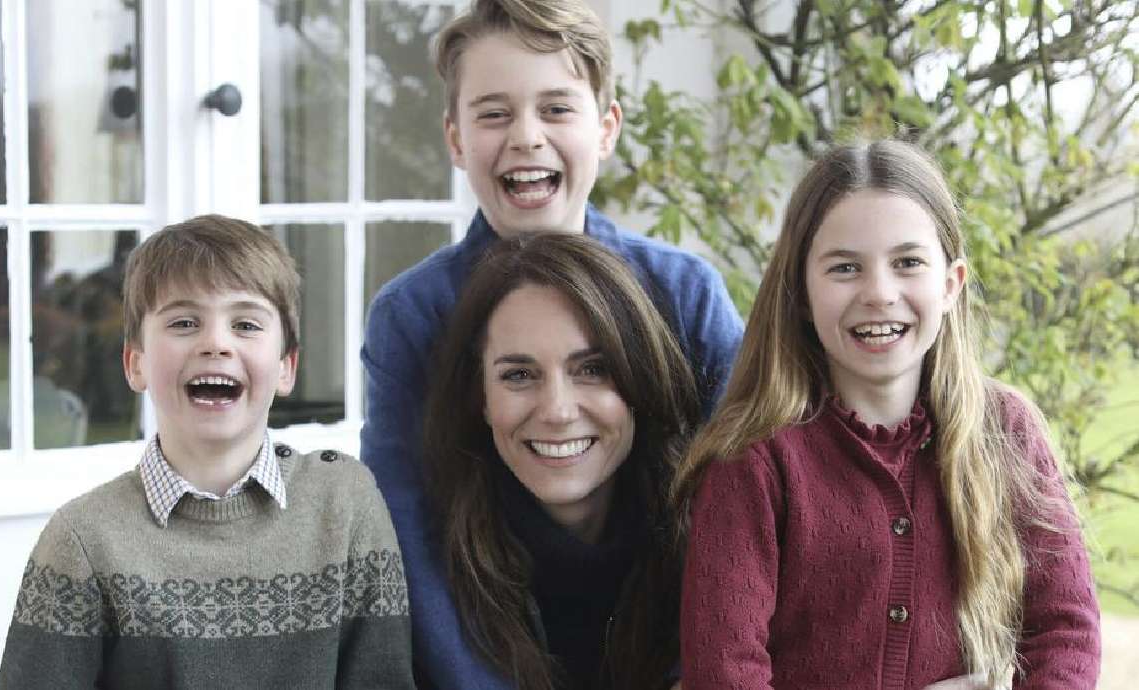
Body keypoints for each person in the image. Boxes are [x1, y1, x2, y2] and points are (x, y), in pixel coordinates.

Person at [359, 1, 744, 687]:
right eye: (494, 113)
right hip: (485, 650)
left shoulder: (685, 297)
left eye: (557, 109)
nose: (526, 138)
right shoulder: (413, 315)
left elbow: (742, 511)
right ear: (455, 138)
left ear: (606, 128)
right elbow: (406, 538)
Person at [676, 141, 1101, 689]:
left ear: (950, 285)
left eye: (908, 263)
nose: (879, 293)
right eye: (845, 268)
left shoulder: (1006, 432)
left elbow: (1065, 630)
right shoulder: (753, 464)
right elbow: (724, 674)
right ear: (802, 293)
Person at [0, 215, 414, 690]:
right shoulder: (83, 541)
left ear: (285, 367)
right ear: (136, 364)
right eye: (184, 322)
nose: (215, 343)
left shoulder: (346, 505)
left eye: (246, 324)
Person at [424, 232, 701, 690]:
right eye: (518, 375)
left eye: (593, 369)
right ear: (481, 399)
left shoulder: (709, 548)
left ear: (642, 378)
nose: (557, 410)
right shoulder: (425, 571)